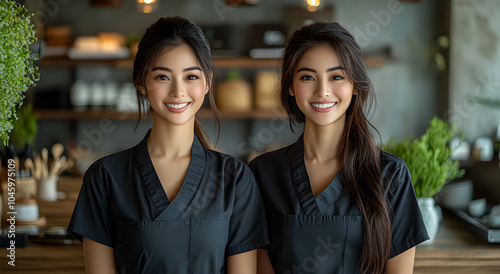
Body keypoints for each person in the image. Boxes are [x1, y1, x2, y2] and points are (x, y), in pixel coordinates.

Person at [68, 16, 269, 274]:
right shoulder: (104, 178)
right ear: (141, 82)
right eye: (163, 77)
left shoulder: (236, 179)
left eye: (191, 77)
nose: (178, 91)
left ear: (207, 82)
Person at [249, 21, 429, 274]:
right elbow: (259, 261)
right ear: (290, 86)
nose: (322, 91)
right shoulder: (263, 173)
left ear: (355, 84)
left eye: (336, 77)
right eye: (307, 77)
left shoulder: (391, 174)